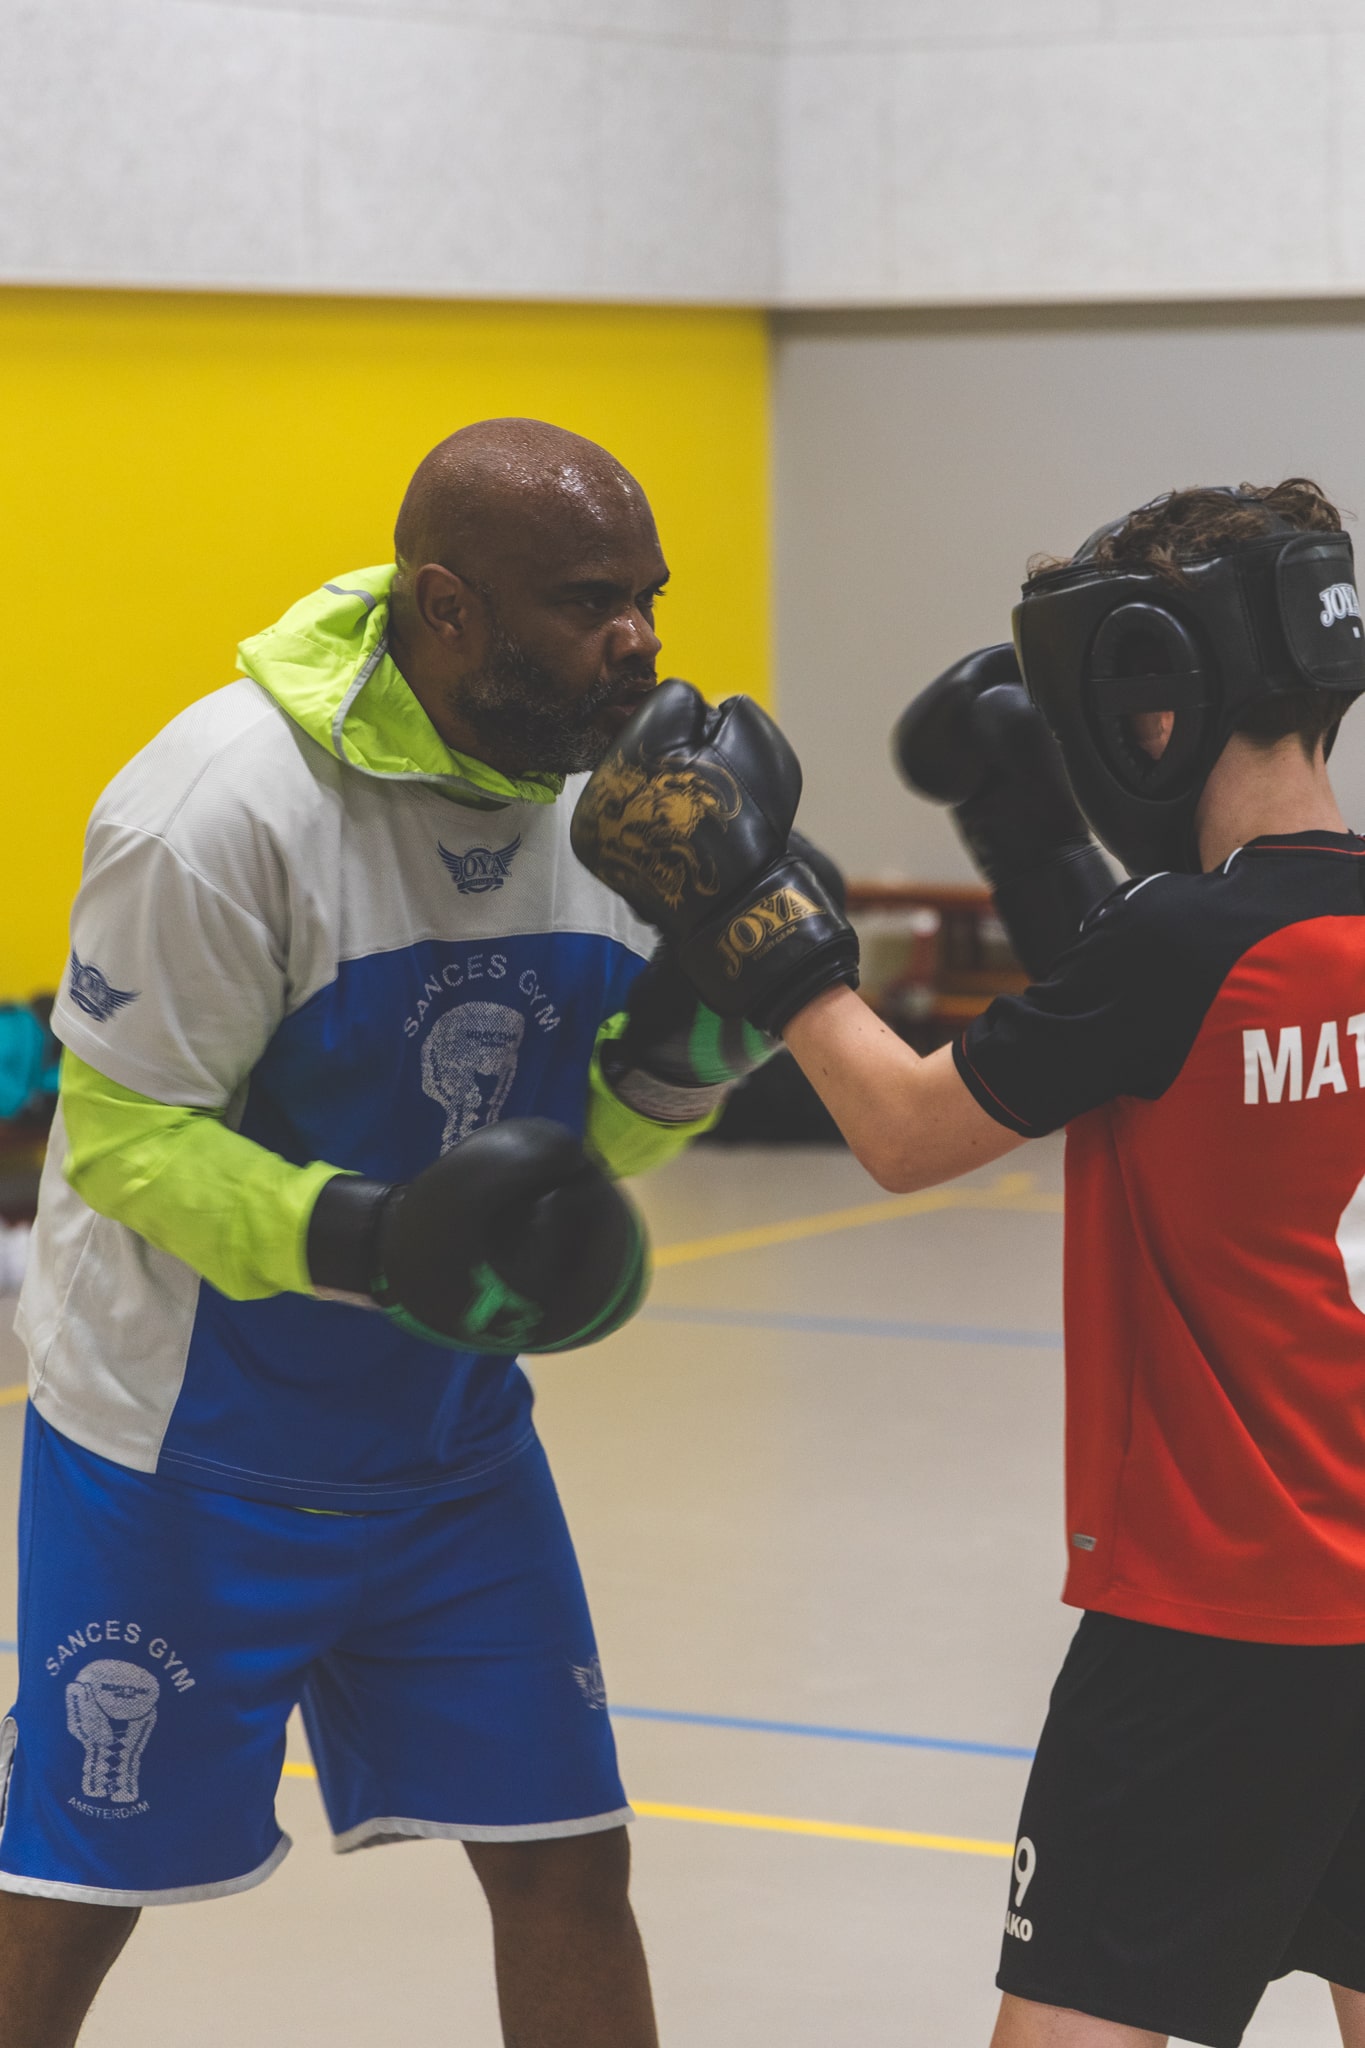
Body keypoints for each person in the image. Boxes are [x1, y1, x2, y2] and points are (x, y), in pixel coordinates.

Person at [4, 418, 776, 2047]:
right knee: (69, 1896)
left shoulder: (622, 809)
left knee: (567, 1860)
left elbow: (580, 1147)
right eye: (589, 603)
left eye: (647, 596)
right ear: (447, 607)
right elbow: (128, 1141)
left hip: (449, 1453)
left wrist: (699, 1038)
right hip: (181, 1458)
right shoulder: (220, 809)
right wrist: (371, 1240)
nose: (637, 642)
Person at [571, 479, 1365, 2048]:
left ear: (1158, 698)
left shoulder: (1175, 949)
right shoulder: (1256, 939)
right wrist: (1022, 837)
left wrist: (751, 912)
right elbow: (1145, 1031)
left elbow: (902, 1129)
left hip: (1214, 1621)